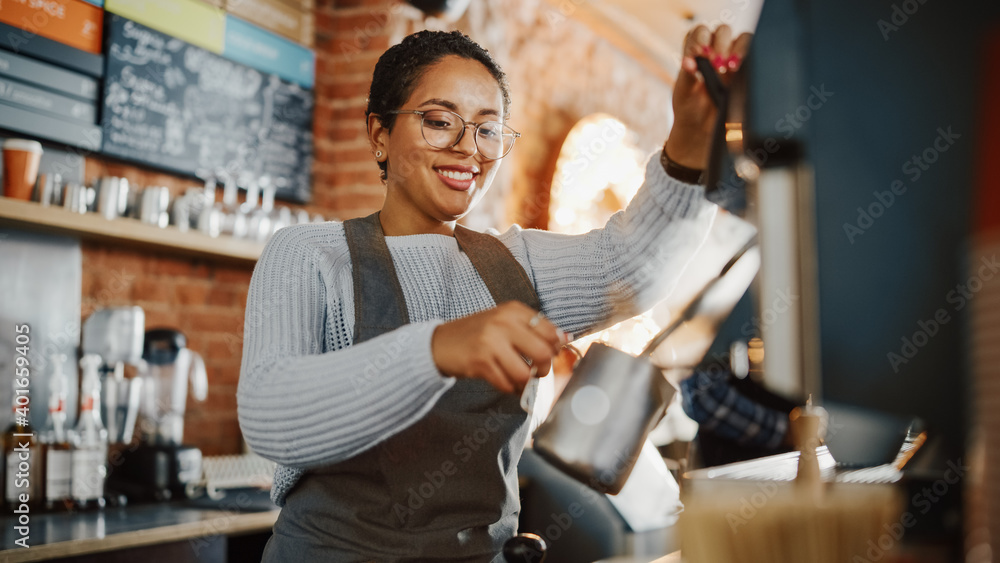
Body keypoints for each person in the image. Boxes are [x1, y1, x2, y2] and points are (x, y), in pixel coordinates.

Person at [238, 24, 751, 562]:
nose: (468, 148)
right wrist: (438, 349)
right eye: (440, 121)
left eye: (488, 130)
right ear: (379, 133)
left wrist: (692, 140)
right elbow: (272, 417)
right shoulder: (308, 254)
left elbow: (632, 265)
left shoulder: (517, 262)